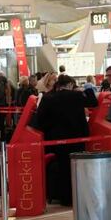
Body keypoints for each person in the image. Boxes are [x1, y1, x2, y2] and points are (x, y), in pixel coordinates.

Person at [37, 75, 97, 205]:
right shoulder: (76, 96)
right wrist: (87, 89)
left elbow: (40, 120)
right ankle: (79, 196)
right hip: (78, 137)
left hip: (57, 139)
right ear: (70, 85)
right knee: (79, 167)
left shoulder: (48, 98)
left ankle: (65, 198)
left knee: (63, 167)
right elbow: (93, 102)